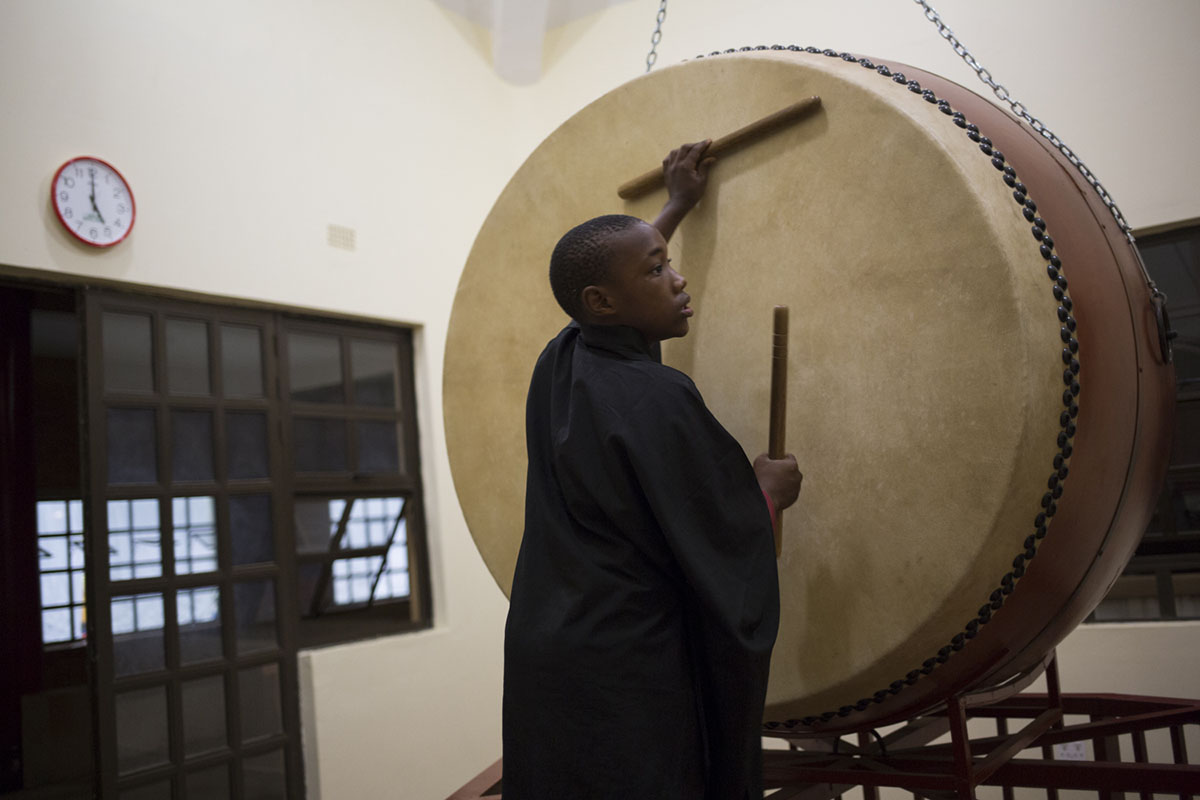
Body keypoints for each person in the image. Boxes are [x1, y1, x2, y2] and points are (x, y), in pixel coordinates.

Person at [502, 140, 803, 800]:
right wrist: (768, 494)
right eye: (658, 270)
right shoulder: (658, 397)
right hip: (624, 659)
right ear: (604, 303)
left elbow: (604, 277)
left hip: (549, 643)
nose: (678, 278)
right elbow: (718, 528)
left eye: (667, 262)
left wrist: (675, 206)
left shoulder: (562, 362)